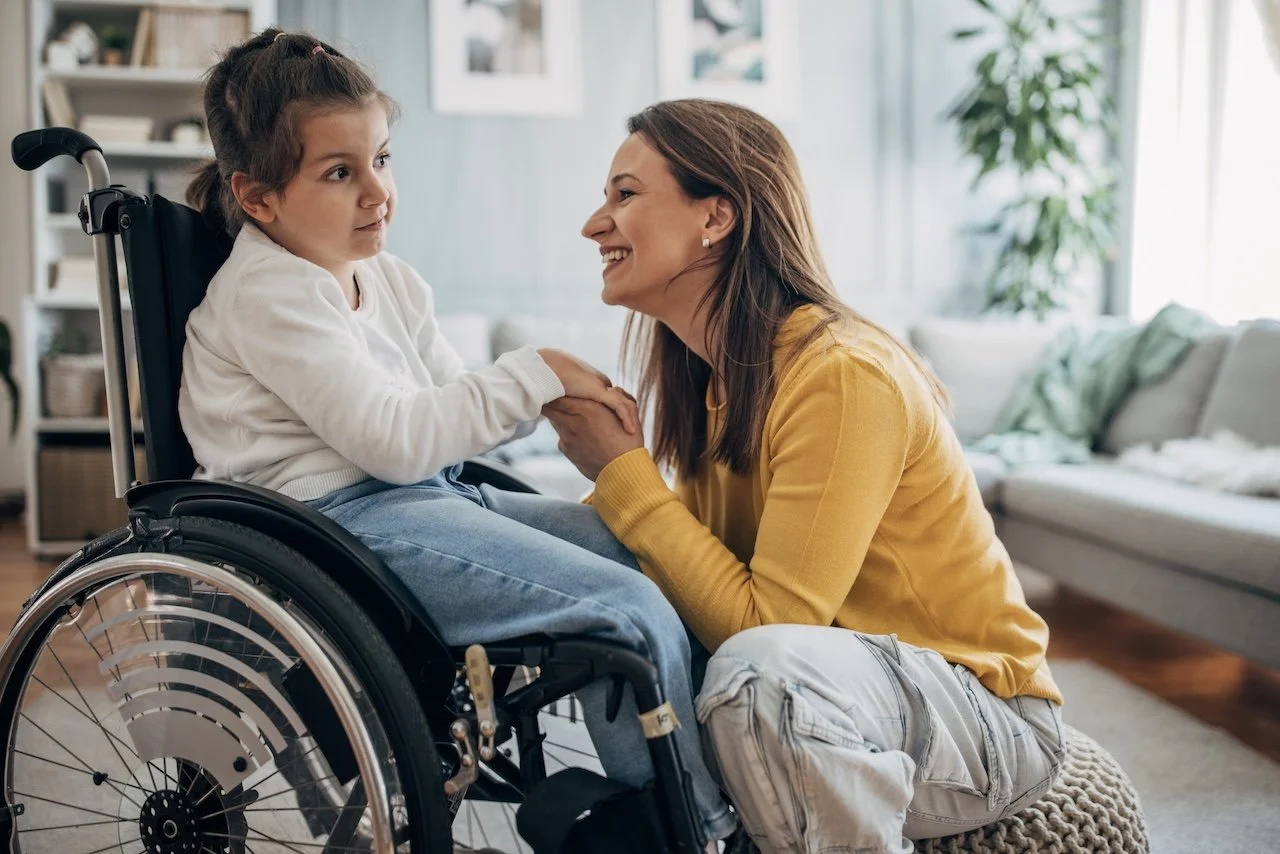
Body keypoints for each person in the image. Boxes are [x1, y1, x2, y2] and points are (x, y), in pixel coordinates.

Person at [178, 30, 735, 846]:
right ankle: (698, 827)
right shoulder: (267, 294)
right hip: (338, 530)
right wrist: (539, 372)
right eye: (340, 172)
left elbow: (444, 415)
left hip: (422, 499)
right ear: (258, 198)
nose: (377, 193)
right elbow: (398, 443)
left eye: (383, 160)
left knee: (642, 551)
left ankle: (680, 791)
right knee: (622, 607)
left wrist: (555, 399)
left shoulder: (388, 279)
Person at [545, 98, 1066, 853]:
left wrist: (625, 474)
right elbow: (687, 576)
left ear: (715, 218)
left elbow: (767, 631)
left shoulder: (842, 373)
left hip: (987, 714)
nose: (596, 224)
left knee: (761, 674)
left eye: (625, 194)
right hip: (843, 688)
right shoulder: (711, 377)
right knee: (593, 574)